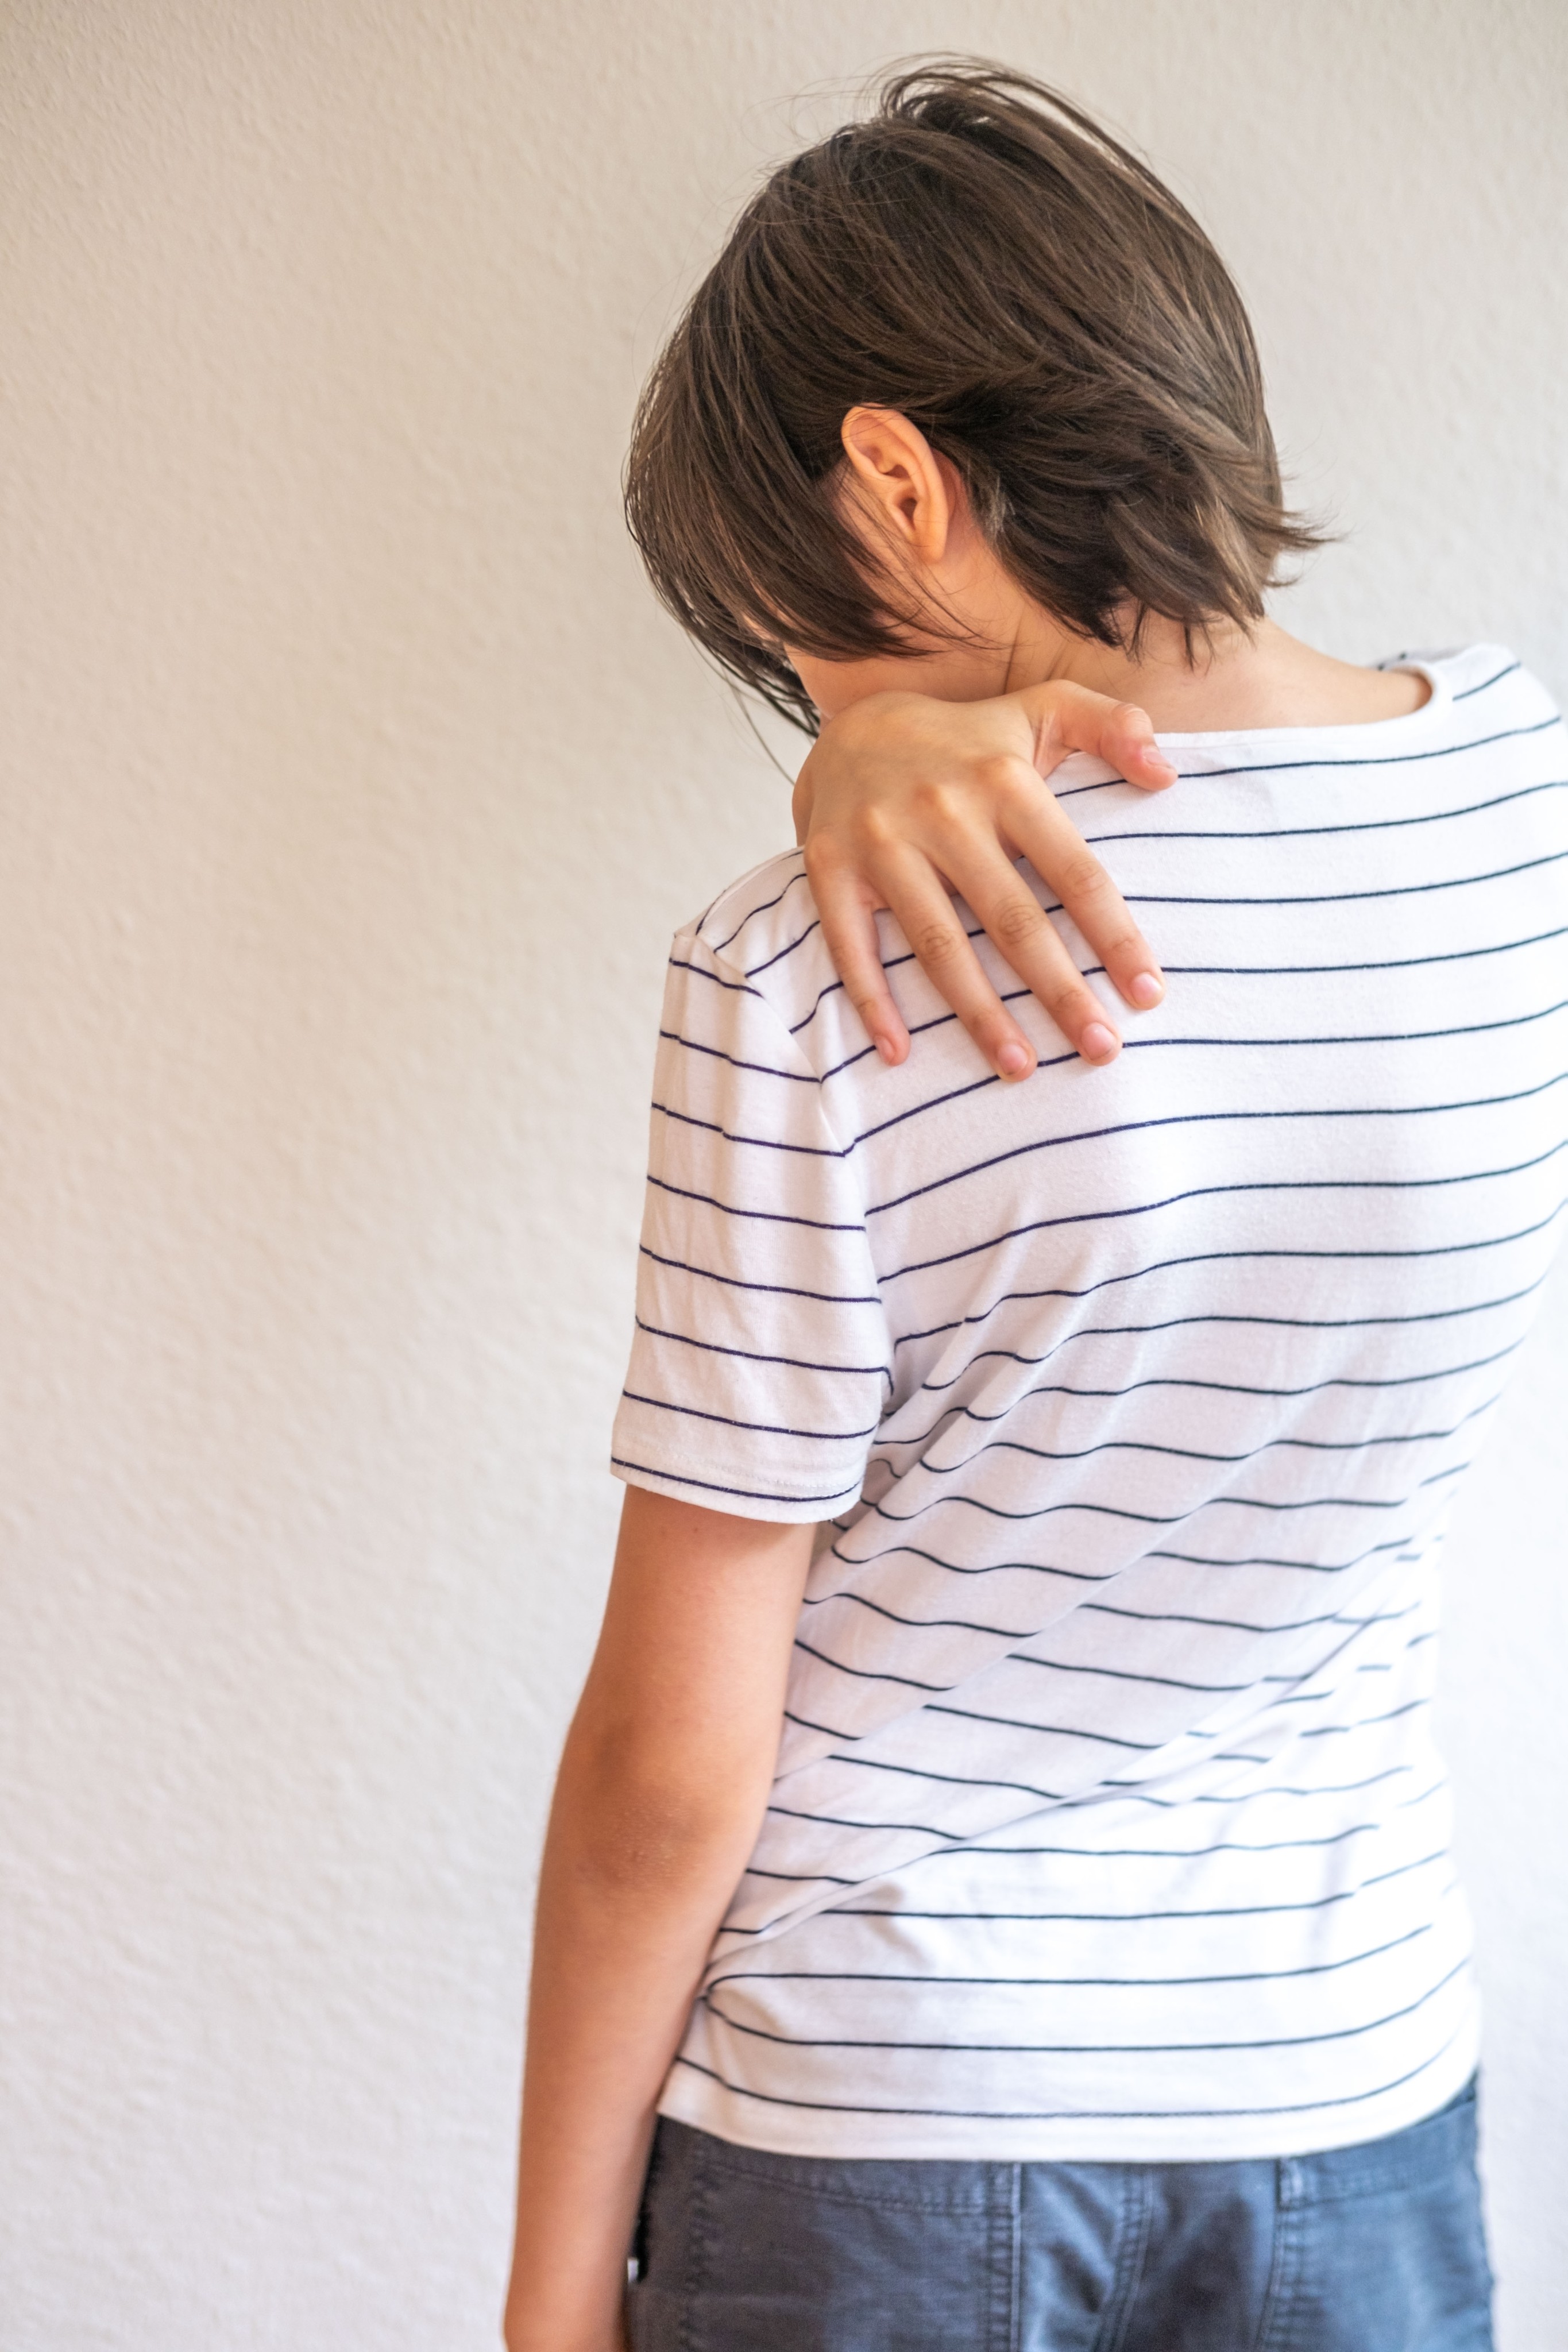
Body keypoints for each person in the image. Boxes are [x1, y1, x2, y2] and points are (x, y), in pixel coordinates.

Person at [505, 60, 1566, 2350]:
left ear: (891, 484)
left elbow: (676, 1757)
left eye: (783, 636)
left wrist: (542, 2298)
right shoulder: (1521, 810)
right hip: (1347, 2087)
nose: (795, 694)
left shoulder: (791, 971)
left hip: (877, 2127)